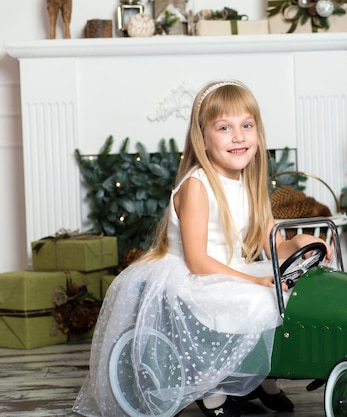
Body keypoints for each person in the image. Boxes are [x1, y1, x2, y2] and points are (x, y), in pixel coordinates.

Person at [73, 80, 332, 417]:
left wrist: (302, 242)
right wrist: (254, 281)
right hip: (194, 275)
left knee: (291, 290)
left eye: (246, 125)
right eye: (224, 127)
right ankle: (211, 391)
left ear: (257, 132)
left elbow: (275, 244)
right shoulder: (198, 185)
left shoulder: (251, 183)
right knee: (263, 295)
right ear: (203, 137)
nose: (238, 136)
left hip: (227, 268)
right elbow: (197, 260)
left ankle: (259, 376)